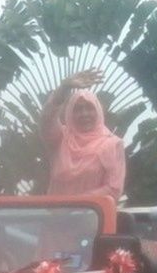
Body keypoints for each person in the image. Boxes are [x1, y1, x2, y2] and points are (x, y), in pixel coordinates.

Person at [41, 68, 126, 202]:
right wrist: (64, 88)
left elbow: (113, 189)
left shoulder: (112, 144)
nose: (84, 114)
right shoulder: (61, 138)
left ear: (98, 111)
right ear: (69, 113)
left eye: (89, 108)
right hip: (55, 218)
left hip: (94, 219)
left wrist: (72, 205)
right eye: (78, 109)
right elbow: (46, 119)